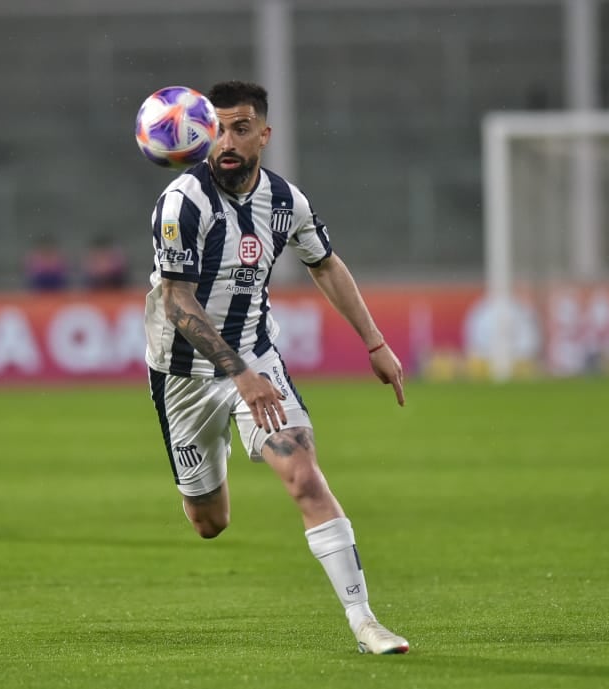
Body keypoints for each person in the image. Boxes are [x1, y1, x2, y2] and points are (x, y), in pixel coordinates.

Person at [144, 81, 409, 655]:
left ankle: (365, 622)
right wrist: (236, 372)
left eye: (242, 128)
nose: (228, 140)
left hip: (258, 361)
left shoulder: (287, 201)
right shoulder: (182, 203)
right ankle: (211, 462)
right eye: (218, 128)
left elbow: (326, 264)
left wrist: (374, 343)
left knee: (305, 476)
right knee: (209, 522)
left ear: (264, 134)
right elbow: (177, 302)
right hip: (184, 376)